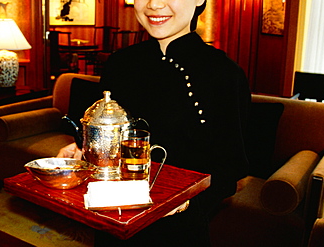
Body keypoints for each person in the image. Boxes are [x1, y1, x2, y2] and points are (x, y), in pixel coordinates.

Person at [57, 0, 251, 246]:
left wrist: (187, 202)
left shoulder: (225, 74)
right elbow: (110, 136)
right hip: (113, 220)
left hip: (178, 230)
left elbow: (231, 167)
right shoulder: (120, 63)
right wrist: (84, 152)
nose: (154, 4)